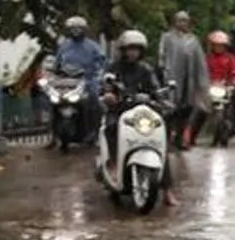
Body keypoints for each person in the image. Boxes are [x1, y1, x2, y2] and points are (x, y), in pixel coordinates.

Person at [102, 29, 179, 208]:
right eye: (129, 49)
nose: (133, 52)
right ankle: (113, 163)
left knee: (159, 141)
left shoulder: (146, 68)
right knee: (111, 127)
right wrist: (109, 95)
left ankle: (168, 190)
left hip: (143, 111)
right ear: (123, 50)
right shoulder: (114, 68)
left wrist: (163, 99)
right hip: (121, 109)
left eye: (136, 49)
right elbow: (106, 85)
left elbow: (155, 88)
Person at [159, 11, 210, 150]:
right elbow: (162, 57)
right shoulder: (167, 37)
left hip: (190, 80)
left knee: (187, 109)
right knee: (170, 109)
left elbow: (200, 62)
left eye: (185, 20)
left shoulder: (193, 40)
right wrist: (164, 72)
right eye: (179, 20)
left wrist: (202, 82)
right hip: (172, 80)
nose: (182, 23)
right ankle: (167, 139)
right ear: (175, 22)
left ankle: (180, 138)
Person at [52, 16, 108, 140]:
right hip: (67, 82)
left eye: (79, 29)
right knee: (53, 100)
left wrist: (98, 73)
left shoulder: (92, 46)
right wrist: (54, 71)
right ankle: (53, 134)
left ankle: (93, 131)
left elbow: (102, 62)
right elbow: (56, 63)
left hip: (88, 80)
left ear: (84, 30)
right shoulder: (64, 46)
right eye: (73, 29)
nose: (76, 31)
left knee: (94, 100)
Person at [205, 29, 235, 135]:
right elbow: (202, 73)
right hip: (210, 88)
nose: (219, 48)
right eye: (216, 45)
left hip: (225, 87)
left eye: (221, 45)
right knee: (198, 110)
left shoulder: (230, 58)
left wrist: (234, 82)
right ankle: (192, 134)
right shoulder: (207, 59)